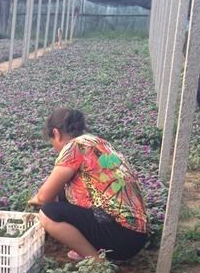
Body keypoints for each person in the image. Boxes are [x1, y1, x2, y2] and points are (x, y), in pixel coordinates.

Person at [27, 108, 148, 261]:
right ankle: (91, 246)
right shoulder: (98, 142)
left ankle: (96, 262)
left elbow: (44, 197)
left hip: (120, 237)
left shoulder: (74, 146)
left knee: (48, 214)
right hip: (135, 236)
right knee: (61, 194)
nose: (54, 148)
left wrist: (35, 199)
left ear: (56, 133)